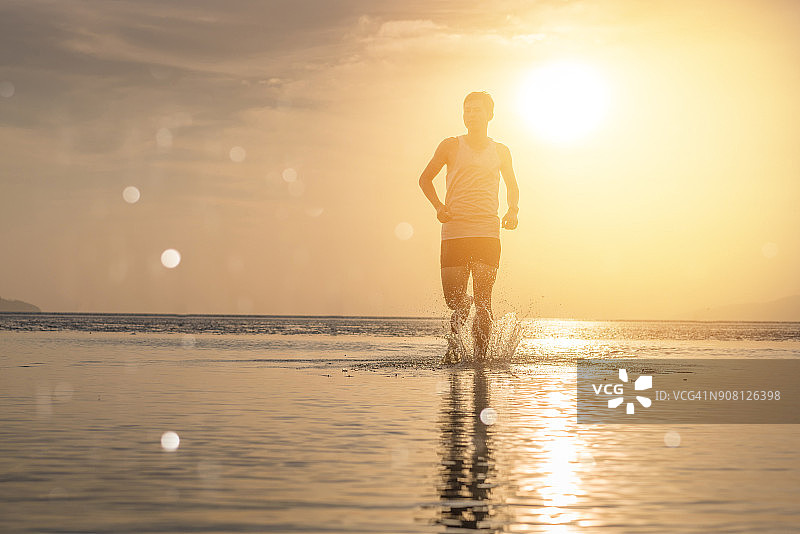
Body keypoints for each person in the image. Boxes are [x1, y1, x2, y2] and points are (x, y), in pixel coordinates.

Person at [418, 91, 519, 363]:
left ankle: (479, 361)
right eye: (467, 110)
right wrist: (438, 206)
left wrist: (512, 210)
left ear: (490, 115)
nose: (471, 115)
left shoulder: (501, 151)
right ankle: (461, 318)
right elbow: (425, 179)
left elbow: (512, 186)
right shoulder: (450, 146)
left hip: (487, 231)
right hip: (455, 231)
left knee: (484, 301)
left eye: (477, 110)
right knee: (455, 301)